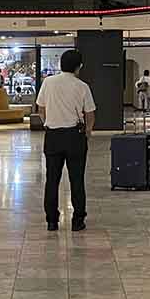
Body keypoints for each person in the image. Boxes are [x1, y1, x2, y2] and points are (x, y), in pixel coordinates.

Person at [36, 49, 96, 233]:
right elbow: (90, 114)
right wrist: (87, 132)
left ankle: (52, 221)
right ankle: (78, 221)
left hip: (53, 136)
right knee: (77, 180)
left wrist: (47, 123)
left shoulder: (48, 82)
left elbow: (41, 108)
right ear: (79, 67)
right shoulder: (82, 86)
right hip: (74, 136)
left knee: (52, 180)